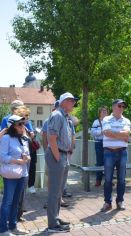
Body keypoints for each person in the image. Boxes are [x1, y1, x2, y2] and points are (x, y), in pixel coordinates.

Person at [45, 93, 77, 232]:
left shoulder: (65, 117)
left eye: (74, 101)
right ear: (63, 102)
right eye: (71, 101)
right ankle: (52, 224)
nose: (73, 103)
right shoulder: (57, 115)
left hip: (63, 155)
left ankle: (55, 218)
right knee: (54, 192)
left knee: (58, 192)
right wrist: (58, 157)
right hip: (57, 155)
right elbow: (51, 138)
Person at [0, 115, 30, 235]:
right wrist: (17, 161)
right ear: (12, 126)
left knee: (16, 201)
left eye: (23, 123)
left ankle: (13, 226)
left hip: (23, 173)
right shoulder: (6, 138)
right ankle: (3, 229)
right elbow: (2, 157)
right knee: (8, 201)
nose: (23, 126)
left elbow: (27, 154)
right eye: (19, 124)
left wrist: (27, 158)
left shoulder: (23, 138)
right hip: (11, 174)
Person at [100, 99, 131, 213]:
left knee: (122, 179)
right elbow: (106, 132)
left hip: (122, 152)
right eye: (119, 106)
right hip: (109, 152)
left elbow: (127, 133)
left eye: (123, 106)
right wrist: (122, 136)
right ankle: (107, 202)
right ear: (113, 106)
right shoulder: (106, 118)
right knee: (108, 179)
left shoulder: (126, 120)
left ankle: (120, 201)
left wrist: (114, 134)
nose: (121, 108)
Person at [91, 106, 109, 187]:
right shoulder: (96, 122)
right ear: (100, 113)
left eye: (105, 111)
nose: (104, 113)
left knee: (109, 162)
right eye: (103, 111)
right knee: (99, 162)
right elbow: (93, 132)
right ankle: (98, 180)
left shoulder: (109, 121)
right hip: (99, 143)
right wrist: (101, 132)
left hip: (108, 143)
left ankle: (108, 181)